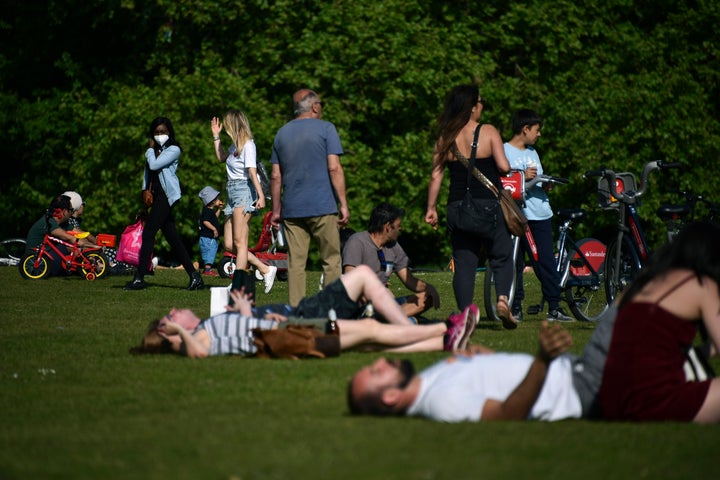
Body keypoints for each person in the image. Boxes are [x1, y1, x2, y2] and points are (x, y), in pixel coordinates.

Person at [347, 304, 620, 422]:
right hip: (581, 385)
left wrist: (486, 361)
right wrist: (542, 360)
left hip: (577, 370)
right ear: (391, 396)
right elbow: (505, 415)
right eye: (375, 372)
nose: (380, 361)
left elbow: (492, 383)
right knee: (649, 286)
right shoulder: (441, 402)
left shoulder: (428, 383)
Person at [131, 265, 479, 357]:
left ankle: (446, 340)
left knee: (371, 340)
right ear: (168, 333)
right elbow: (201, 354)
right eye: (169, 318)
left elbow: (243, 334)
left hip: (289, 328)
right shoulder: (200, 337)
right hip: (293, 330)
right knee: (371, 334)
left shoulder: (209, 327)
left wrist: (244, 311)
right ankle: (445, 329)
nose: (175, 310)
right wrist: (180, 334)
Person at [598, 221, 720, 424]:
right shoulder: (700, 284)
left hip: (612, 402)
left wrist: (701, 353)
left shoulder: (647, 281)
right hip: (654, 400)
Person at [425, 85, 516, 329]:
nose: (482, 105)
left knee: (464, 263)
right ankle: (503, 300)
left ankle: (466, 315)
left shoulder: (445, 136)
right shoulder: (488, 131)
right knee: (502, 254)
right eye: (480, 101)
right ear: (472, 106)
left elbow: (436, 175)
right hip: (488, 205)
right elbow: (504, 167)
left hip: (457, 207)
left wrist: (430, 208)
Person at [269, 88, 350, 306]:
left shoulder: (281, 133)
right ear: (314, 106)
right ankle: (330, 309)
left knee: (296, 264)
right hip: (323, 206)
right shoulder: (326, 129)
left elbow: (276, 176)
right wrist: (343, 204)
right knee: (332, 260)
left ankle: (297, 313)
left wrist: (276, 210)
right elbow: (334, 168)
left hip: (292, 210)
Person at [503, 110, 573, 322]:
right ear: (525, 129)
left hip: (540, 215)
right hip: (516, 215)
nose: (539, 134)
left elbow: (539, 179)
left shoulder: (532, 152)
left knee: (545, 262)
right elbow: (503, 180)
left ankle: (554, 307)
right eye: (537, 130)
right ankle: (515, 306)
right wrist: (523, 176)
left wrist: (546, 183)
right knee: (514, 262)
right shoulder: (504, 151)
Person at [124, 117, 203, 291]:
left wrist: (150, 149)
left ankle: (139, 277)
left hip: (166, 197)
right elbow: (148, 175)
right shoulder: (154, 150)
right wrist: (144, 196)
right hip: (155, 196)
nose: (160, 135)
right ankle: (195, 276)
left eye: (163, 132)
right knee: (172, 238)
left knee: (149, 233)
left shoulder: (173, 149)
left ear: (169, 132)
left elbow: (154, 165)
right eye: (157, 132)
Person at [211, 110, 275, 292]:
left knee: (240, 241)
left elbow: (252, 172)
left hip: (244, 191)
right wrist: (216, 137)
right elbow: (220, 157)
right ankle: (265, 269)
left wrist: (261, 196)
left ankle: (238, 282)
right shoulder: (234, 145)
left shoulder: (249, 145)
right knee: (230, 244)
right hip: (232, 191)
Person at [343, 202, 440, 322]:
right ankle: (403, 321)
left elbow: (408, 280)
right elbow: (350, 279)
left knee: (426, 297)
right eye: (398, 225)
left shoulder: (393, 246)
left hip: (386, 304)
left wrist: (429, 288)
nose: (400, 228)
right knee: (408, 319)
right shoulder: (357, 242)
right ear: (388, 226)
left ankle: (391, 320)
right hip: (365, 304)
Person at [24, 194, 85, 276]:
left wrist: (95, 244)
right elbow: (69, 238)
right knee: (69, 246)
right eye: (71, 210)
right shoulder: (48, 223)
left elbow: (80, 234)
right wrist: (93, 247)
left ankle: (96, 266)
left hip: (46, 258)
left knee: (73, 247)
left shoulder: (60, 222)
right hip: (39, 264)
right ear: (64, 211)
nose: (72, 213)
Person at [197, 186, 223, 276]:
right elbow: (206, 222)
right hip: (208, 237)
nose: (218, 200)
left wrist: (219, 209)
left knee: (210, 252)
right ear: (212, 201)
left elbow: (214, 218)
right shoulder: (207, 211)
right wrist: (214, 229)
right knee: (210, 252)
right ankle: (208, 270)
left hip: (207, 237)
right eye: (217, 199)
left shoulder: (209, 211)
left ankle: (207, 269)